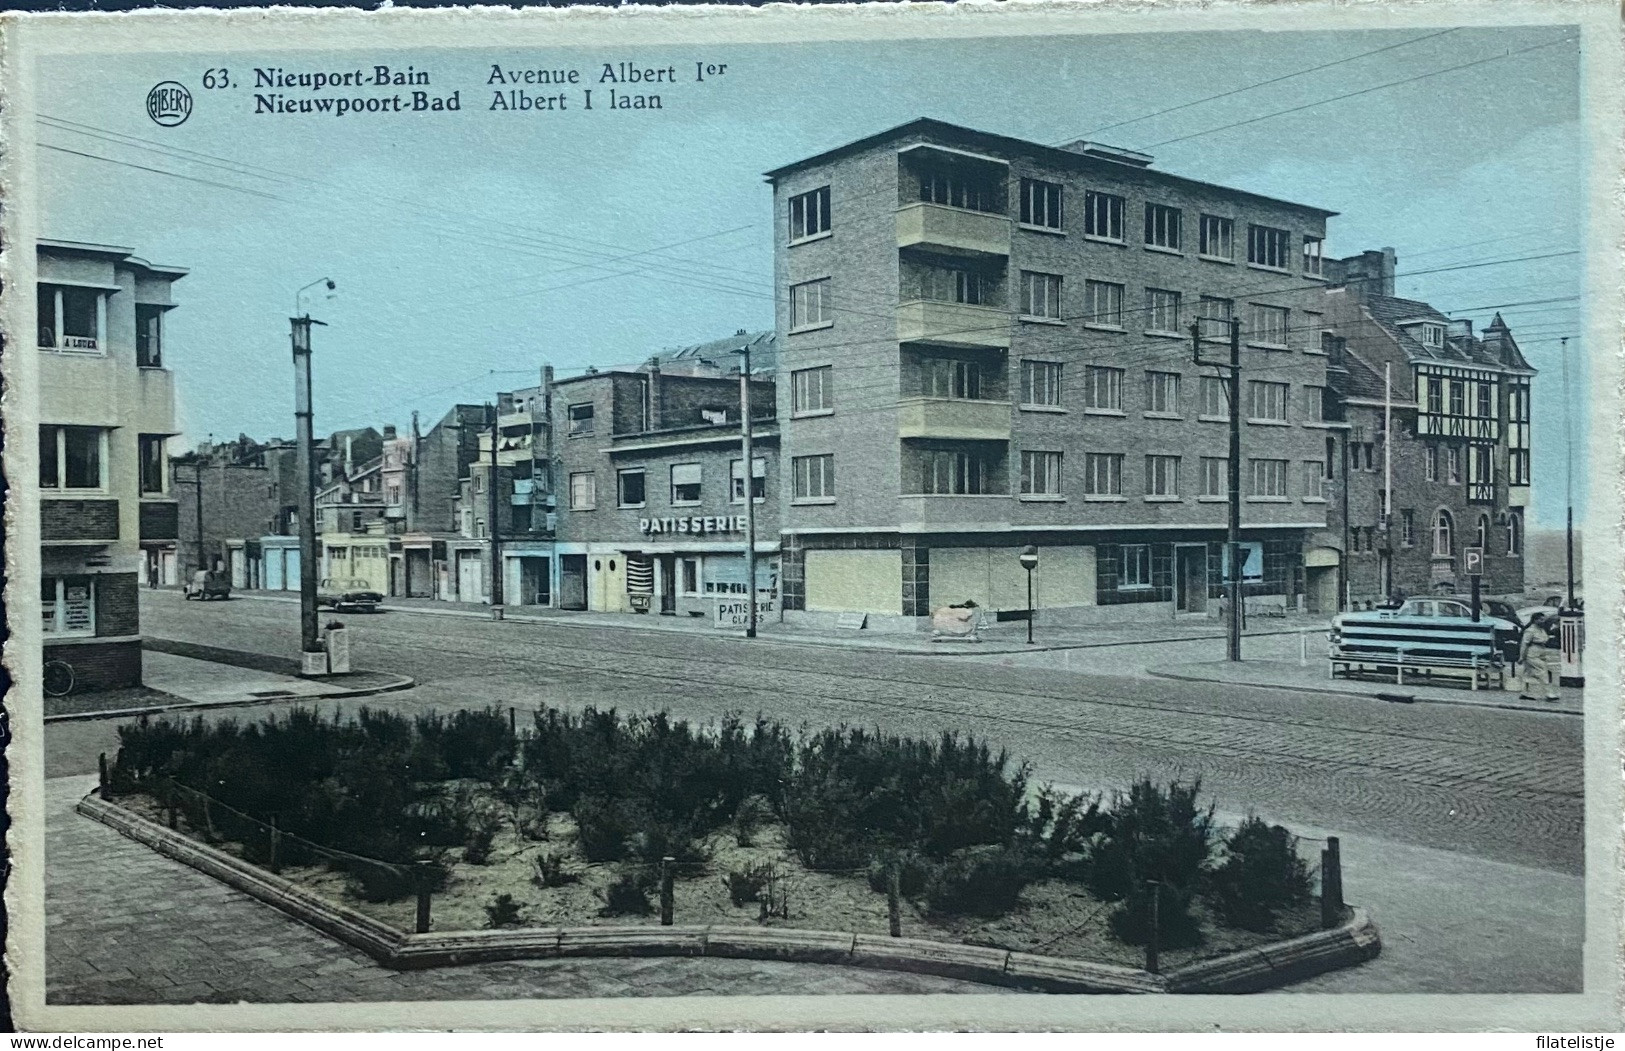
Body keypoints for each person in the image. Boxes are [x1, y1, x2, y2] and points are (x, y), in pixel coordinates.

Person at [1518, 613, 1562, 701]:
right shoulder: (1530, 630)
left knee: (1529, 673)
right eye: (1541, 619)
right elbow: (1524, 644)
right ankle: (1548, 693)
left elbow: (1545, 639)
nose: (1543, 621)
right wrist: (1521, 656)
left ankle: (1525, 693)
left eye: (1543, 619)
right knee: (1542, 671)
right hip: (1532, 653)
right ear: (1535, 620)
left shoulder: (1541, 630)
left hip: (1541, 652)